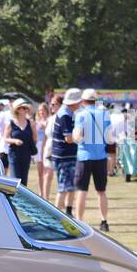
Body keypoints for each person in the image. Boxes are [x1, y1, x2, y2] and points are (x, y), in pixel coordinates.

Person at [73, 88, 115, 231]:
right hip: (100, 157)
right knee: (101, 191)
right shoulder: (104, 114)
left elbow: (77, 138)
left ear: (83, 101)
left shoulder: (81, 115)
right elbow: (110, 139)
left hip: (84, 156)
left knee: (81, 191)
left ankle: (79, 223)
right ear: (96, 100)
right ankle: (104, 222)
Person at [52, 88, 82, 215]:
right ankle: (55, 217)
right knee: (63, 189)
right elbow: (69, 139)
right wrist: (84, 137)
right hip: (64, 157)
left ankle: (68, 213)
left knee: (70, 187)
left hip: (67, 156)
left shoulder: (68, 113)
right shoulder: (65, 115)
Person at [1, 99, 36, 187]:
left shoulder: (30, 123)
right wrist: (15, 141)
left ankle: (21, 201)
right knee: (15, 180)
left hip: (26, 154)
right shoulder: (11, 123)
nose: (24, 110)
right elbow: (5, 138)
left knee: (24, 182)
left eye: (25, 108)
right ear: (17, 110)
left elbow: (35, 138)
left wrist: (34, 130)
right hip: (14, 154)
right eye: (22, 108)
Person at [34, 101, 51, 199]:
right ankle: (41, 192)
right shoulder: (37, 121)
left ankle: (45, 193)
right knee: (39, 171)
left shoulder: (49, 120)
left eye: (43, 110)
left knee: (46, 171)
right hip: (38, 146)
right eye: (40, 110)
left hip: (46, 146)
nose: (41, 112)